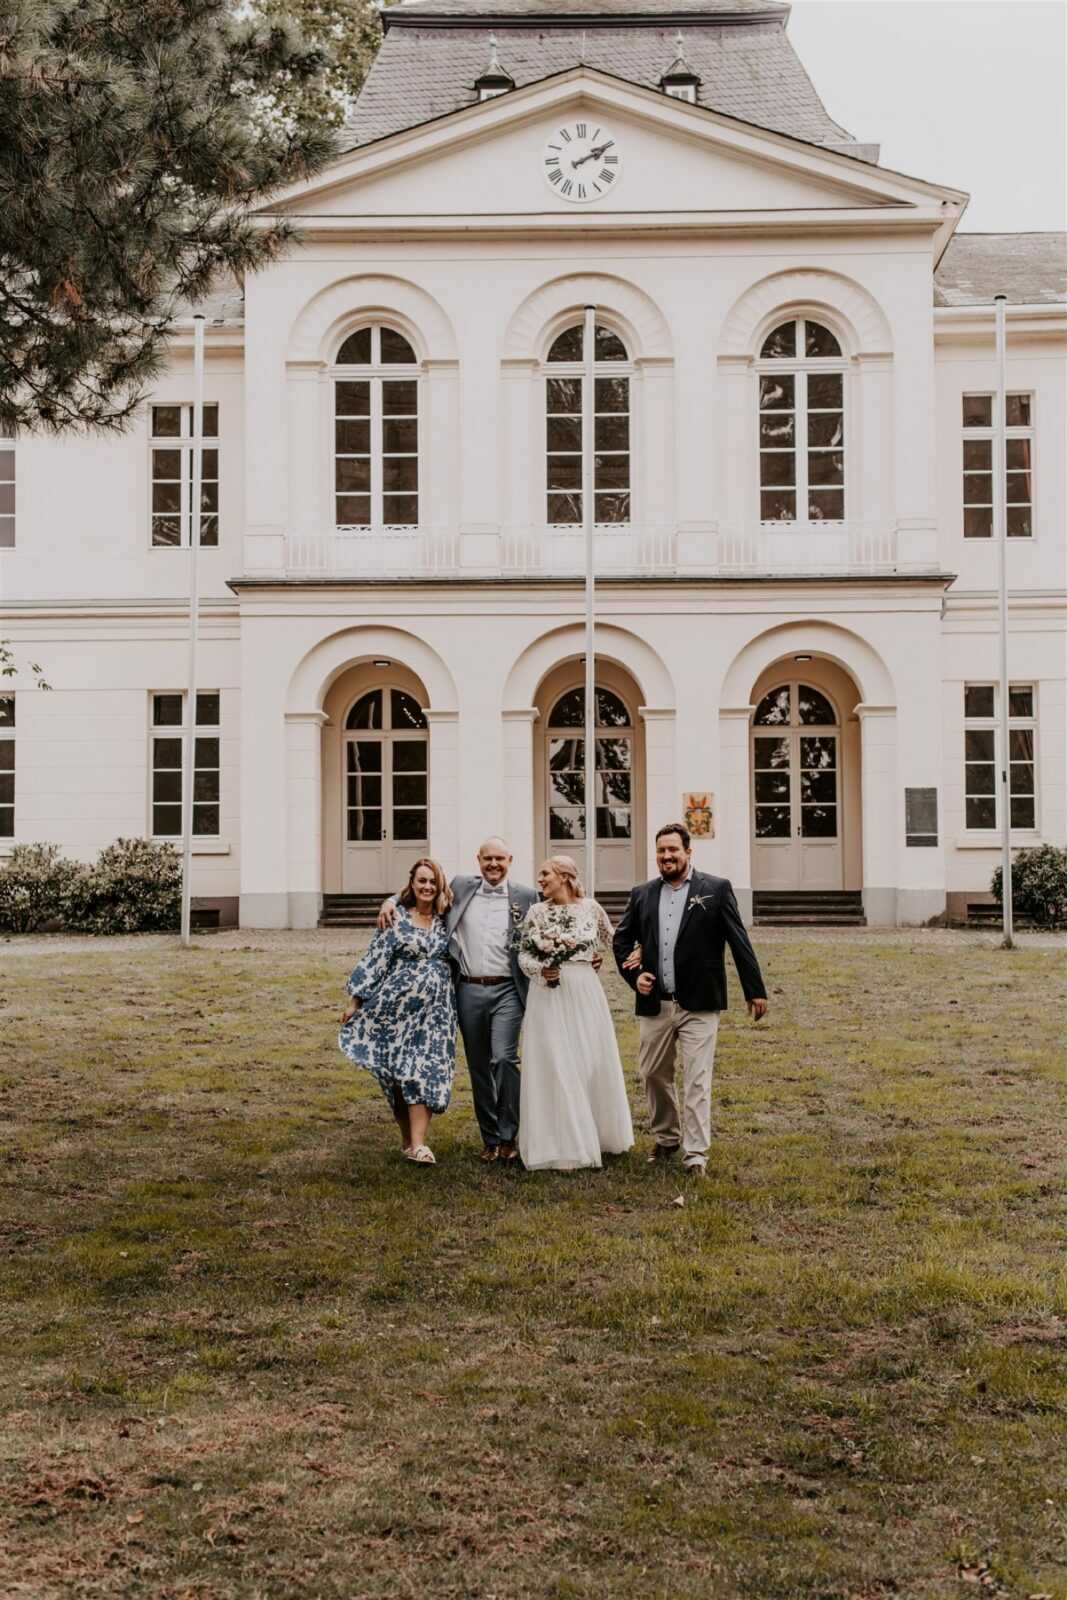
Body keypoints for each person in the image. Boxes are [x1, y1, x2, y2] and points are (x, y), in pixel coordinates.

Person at [613, 823, 768, 1178]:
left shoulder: (715, 889)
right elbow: (621, 942)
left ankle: (695, 1154)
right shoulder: (642, 894)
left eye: (673, 850)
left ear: (688, 852)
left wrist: (754, 989)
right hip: (657, 1004)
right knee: (652, 1073)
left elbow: (738, 940)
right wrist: (636, 978)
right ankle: (667, 1138)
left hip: (700, 1002)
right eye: (661, 851)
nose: (666, 856)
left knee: (697, 1079)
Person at [378, 838, 538, 1164]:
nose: (494, 864)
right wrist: (390, 900)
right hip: (467, 989)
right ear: (478, 860)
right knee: (479, 1066)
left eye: (500, 859)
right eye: (487, 858)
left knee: (503, 1060)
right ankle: (491, 1139)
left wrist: (585, 954)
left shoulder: (526, 895)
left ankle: (510, 1136)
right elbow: (423, 888)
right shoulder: (462, 887)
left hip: (508, 989)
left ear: (511, 859)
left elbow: (562, 907)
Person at [517, 856, 634, 1172]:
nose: (539, 879)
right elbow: (524, 954)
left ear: (565, 876)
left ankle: (594, 1133)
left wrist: (639, 950)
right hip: (549, 994)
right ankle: (561, 1143)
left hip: (584, 990)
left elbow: (615, 941)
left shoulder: (591, 908)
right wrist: (542, 969)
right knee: (555, 1062)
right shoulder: (537, 912)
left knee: (588, 1060)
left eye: (545, 874)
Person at [339, 858, 456, 1166]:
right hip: (395, 1010)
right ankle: (408, 1139)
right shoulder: (397, 918)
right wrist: (354, 1003)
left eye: (433, 881)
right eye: (422, 881)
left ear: (440, 884)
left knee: (424, 1070)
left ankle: (419, 1144)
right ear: (412, 883)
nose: (427, 886)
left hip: (436, 1013)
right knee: (397, 1077)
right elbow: (374, 959)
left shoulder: (449, 918)